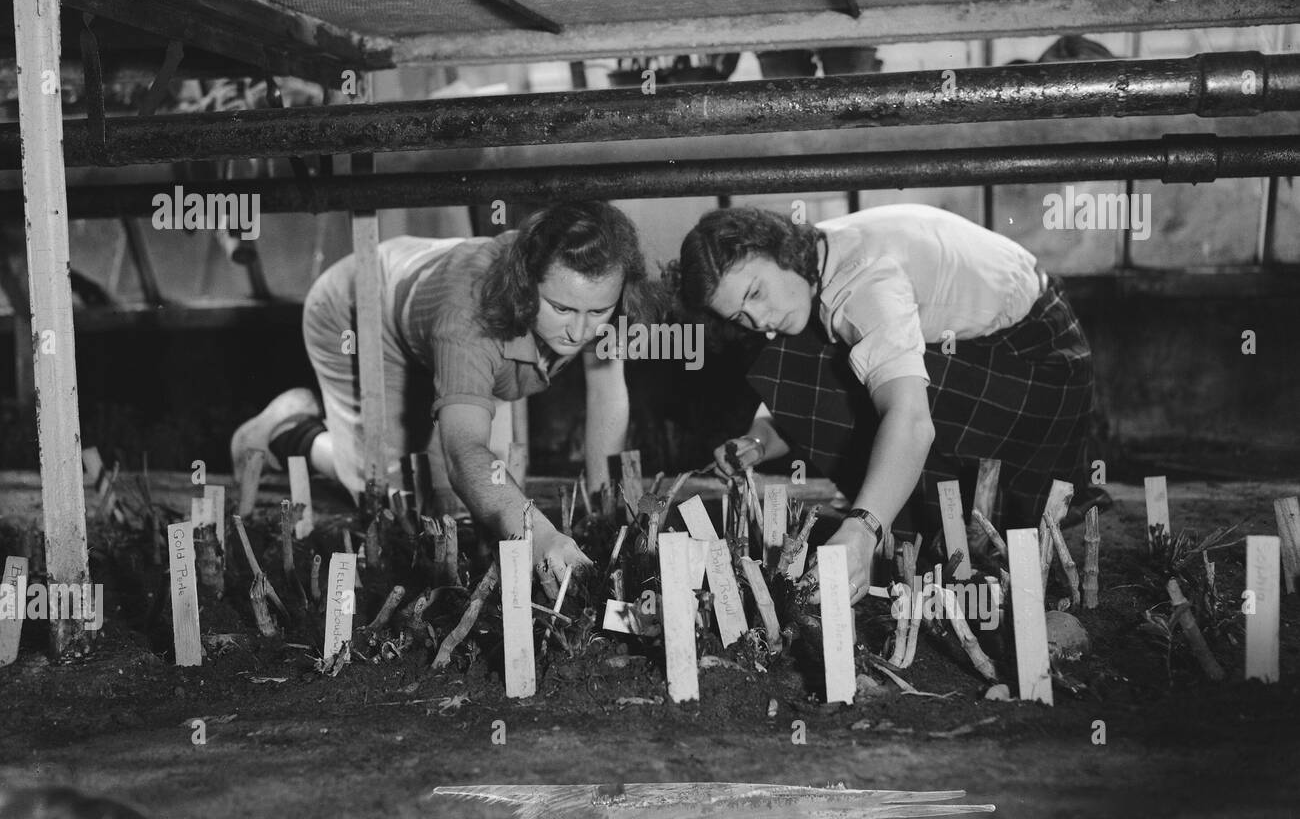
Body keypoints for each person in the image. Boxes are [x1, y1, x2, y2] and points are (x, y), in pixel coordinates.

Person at [677, 203, 1095, 603]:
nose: (760, 320)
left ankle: (919, 519)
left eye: (755, 292)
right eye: (739, 316)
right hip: (1006, 324)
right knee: (794, 354)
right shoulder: (817, 253)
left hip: (1040, 359)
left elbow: (912, 421)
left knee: (864, 386)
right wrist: (759, 441)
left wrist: (863, 529)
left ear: (774, 247)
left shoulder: (862, 286)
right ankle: (900, 505)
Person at [232, 201, 649, 583]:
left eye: (597, 312)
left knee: (472, 495)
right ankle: (287, 432)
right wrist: (536, 534)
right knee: (395, 496)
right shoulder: (469, 320)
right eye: (561, 309)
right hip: (359, 311)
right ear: (525, 282)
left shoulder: (591, 287)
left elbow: (607, 395)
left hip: (426, 291)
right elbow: (463, 451)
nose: (580, 332)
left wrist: (604, 515)